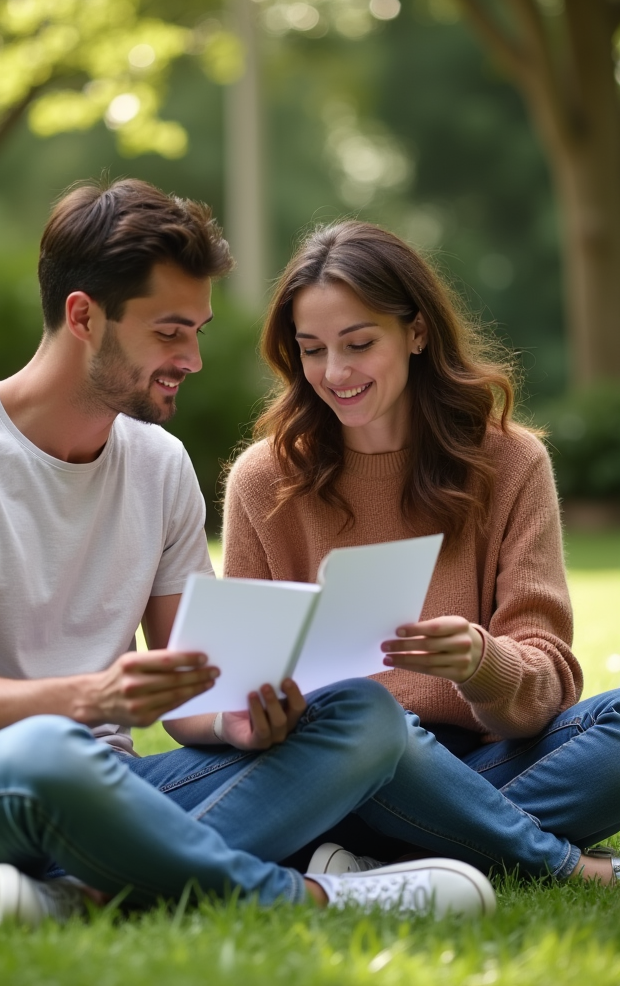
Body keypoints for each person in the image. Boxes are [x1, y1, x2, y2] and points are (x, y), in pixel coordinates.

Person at [0, 181, 497, 927]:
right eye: (168, 332)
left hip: (114, 787)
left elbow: (194, 688)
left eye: (197, 329)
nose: (191, 358)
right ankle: (320, 895)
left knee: (364, 715)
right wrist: (89, 700)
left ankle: (81, 891)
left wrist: (236, 724)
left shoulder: (159, 465)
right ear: (84, 316)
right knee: (52, 751)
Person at [223, 220, 620, 886]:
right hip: (335, 773)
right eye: (312, 350)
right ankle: (545, 862)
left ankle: (386, 866)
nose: (335, 372)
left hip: (480, 765)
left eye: (358, 344)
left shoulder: (510, 462)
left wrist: (481, 662)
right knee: (374, 728)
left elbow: (548, 679)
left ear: (416, 332)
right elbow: (241, 682)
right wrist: (260, 707)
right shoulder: (265, 480)